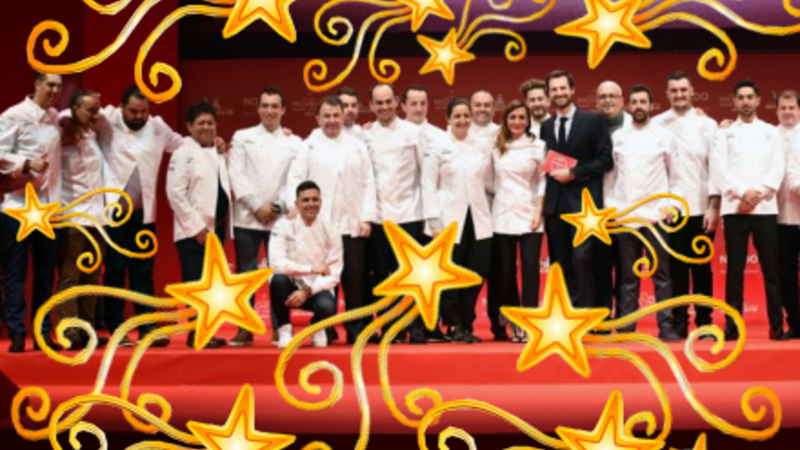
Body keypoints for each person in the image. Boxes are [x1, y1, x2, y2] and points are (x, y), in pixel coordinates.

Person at [94, 84, 185, 348]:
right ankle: (116, 328)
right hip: (114, 214)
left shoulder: (157, 127)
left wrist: (214, 143)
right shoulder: (107, 120)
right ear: (122, 107)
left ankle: (147, 327)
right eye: (133, 111)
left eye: (144, 111)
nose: (139, 116)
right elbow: (72, 115)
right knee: (114, 273)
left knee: (143, 273)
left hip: (144, 215)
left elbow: (183, 145)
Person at [285, 96, 376, 344]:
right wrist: (295, 209)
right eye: (327, 116)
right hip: (319, 227)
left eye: (336, 115)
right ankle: (326, 327)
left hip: (352, 225)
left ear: (343, 116)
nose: (332, 120)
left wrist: (367, 218)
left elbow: (369, 183)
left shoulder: (357, 146)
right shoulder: (308, 146)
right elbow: (295, 180)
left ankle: (356, 328)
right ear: (318, 118)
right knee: (324, 281)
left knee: (355, 281)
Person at [227, 86, 303, 346]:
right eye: (265, 106)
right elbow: (236, 174)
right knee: (246, 274)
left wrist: (277, 206)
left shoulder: (295, 142)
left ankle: (280, 326)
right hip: (247, 217)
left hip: (279, 220)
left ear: (283, 110)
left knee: (280, 275)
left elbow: (295, 179)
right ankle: (244, 328)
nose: (270, 110)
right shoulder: (242, 137)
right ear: (258, 108)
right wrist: (256, 206)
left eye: (275, 106)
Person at [605, 85, 682, 340]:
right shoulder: (618, 136)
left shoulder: (664, 136)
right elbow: (610, 178)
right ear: (628, 105)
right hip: (626, 216)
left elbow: (677, 177)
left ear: (651, 105)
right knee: (628, 276)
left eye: (643, 102)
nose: (639, 106)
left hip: (656, 216)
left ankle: (666, 325)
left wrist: (672, 206)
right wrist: (611, 208)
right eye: (635, 102)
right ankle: (627, 326)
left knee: (662, 275)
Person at [713, 78, 786, 341]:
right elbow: (719, 170)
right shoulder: (724, 133)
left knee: (771, 271)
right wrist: (742, 193)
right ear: (734, 101)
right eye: (741, 97)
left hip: (765, 209)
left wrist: (756, 195)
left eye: (749, 97)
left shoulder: (771, 132)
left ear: (757, 100)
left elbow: (777, 168)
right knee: (734, 271)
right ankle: (732, 327)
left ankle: (777, 326)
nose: (745, 101)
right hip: (735, 209)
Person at [652, 71, 720, 339]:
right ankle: (679, 322)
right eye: (674, 90)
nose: (679, 95)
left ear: (692, 92)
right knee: (675, 269)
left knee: (702, 268)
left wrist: (714, 206)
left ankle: (704, 322)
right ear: (667, 94)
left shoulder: (708, 125)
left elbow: (715, 169)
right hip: (671, 211)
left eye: (683, 90)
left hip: (702, 208)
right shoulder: (657, 124)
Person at [539, 70, 614, 308]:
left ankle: (589, 313)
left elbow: (605, 160)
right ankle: (570, 312)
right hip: (555, 205)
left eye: (563, 88)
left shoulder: (593, 120)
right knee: (561, 262)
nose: (559, 93)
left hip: (585, 205)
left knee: (583, 259)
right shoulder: (546, 126)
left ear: (572, 89)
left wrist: (573, 173)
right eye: (554, 89)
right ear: (549, 94)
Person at [0, 72, 64, 353]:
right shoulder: (14, 115)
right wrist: (25, 163)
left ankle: (42, 332)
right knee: (15, 272)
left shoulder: (55, 118)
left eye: (58, 86)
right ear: (36, 84)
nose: (54, 90)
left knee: (45, 272)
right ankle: (16, 332)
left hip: (48, 207)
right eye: (50, 84)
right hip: (17, 206)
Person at [422, 97, 493, 343]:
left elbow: (489, 183)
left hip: (480, 219)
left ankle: (466, 322)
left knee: (476, 273)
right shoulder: (437, 146)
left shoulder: (481, 146)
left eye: (466, 116)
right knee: (450, 275)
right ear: (448, 119)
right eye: (457, 116)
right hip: (448, 220)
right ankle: (453, 324)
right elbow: (428, 186)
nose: (462, 120)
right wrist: (434, 222)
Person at [363, 83, 426, 344]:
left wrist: (429, 214)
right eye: (379, 102)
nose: (384, 106)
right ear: (371, 105)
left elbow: (425, 174)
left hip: (409, 213)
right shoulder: (365, 135)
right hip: (379, 215)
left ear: (397, 101)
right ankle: (391, 328)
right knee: (383, 275)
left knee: (414, 274)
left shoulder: (414, 132)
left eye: (388, 101)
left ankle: (417, 327)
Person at [166, 101, 232, 349]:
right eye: (201, 123)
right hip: (193, 233)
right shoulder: (182, 153)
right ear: (189, 127)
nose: (206, 127)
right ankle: (196, 333)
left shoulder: (218, 151)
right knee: (195, 284)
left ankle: (206, 331)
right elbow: (175, 194)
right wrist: (196, 228)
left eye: (210, 122)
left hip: (215, 230)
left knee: (211, 285)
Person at [56, 89, 110, 351]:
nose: (95, 115)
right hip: (73, 216)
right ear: (75, 110)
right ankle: (69, 330)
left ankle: (88, 330)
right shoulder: (61, 132)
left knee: (92, 276)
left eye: (97, 109)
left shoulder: (93, 135)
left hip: (97, 216)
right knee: (70, 276)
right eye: (90, 110)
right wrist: (67, 121)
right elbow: (58, 117)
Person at [491, 100, 546, 342]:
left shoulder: (538, 145)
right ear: (506, 120)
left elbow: (543, 181)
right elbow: (490, 181)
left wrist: (538, 212)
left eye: (522, 117)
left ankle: (530, 321)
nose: (517, 122)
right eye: (512, 117)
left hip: (530, 213)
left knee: (531, 269)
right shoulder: (496, 146)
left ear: (528, 120)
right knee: (505, 271)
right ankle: (514, 321)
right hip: (502, 214)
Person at [270, 181, 343, 349]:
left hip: (316, 287)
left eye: (315, 199)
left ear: (321, 202)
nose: (311, 204)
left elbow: (334, 273)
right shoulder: (282, 226)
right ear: (296, 204)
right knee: (278, 281)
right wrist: (310, 269)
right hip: (289, 285)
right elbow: (277, 263)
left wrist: (307, 291)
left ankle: (316, 327)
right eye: (305, 200)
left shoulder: (331, 230)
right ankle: (284, 327)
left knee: (327, 306)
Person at [775, 90, 800, 338]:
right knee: (786, 275)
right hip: (780, 218)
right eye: (783, 108)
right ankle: (795, 322)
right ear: (777, 111)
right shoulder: (769, 136)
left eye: (792, 107)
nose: (788, 112)